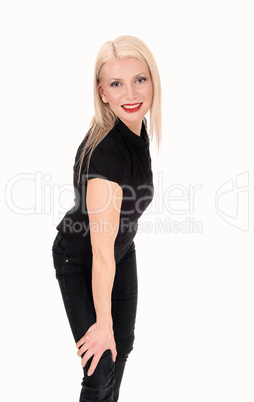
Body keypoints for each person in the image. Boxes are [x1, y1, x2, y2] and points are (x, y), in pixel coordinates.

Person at [52, 34, 162, 402]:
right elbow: (98, 253)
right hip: (81, 258)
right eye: (116, 83)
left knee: (123, 347)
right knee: (100, 365)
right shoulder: (105, 156)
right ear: (102, 92)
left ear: (153, 82)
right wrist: (102, 323)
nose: (130, 93)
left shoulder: (134, 127)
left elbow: (112, 243)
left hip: (120, 250)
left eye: (139, 80)